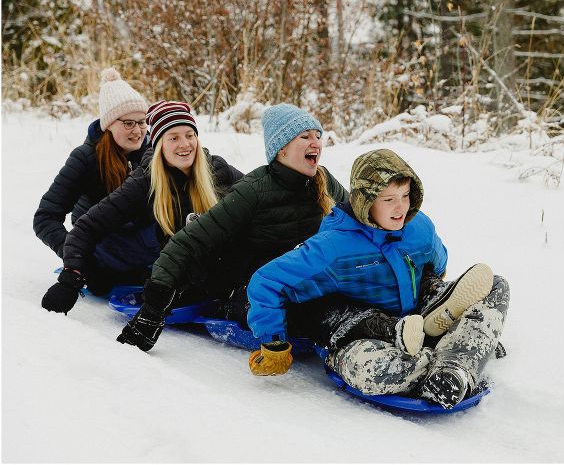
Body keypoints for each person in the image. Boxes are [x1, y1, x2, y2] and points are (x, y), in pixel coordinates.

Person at [245, 148, 510, 409]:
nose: (400, 207)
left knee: (496, 285)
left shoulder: (419, 227)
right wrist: (274, 343)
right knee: (370, 370)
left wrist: (432, 290)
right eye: (388, 199)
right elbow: (266, 282)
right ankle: (457, 351)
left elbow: (438, 265)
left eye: (405, 195)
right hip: (363, 332)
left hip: (418, 313)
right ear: (365, 201)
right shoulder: (333, 246)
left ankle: (454, 367)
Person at [115, 103, 349, 352]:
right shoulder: (253, 191)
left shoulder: (323, 180)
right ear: (281, 148)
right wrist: (152, 309)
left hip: (307, 280)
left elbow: (361, 219)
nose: (316, 143)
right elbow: (187, 242)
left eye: (318, 136)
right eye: (305, 137)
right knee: (309, 311)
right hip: (251, 292)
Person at [41, 100, 244, 315]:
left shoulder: (217, 169)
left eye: (190, 135)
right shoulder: (144, 180)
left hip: (172, 255)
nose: (185, 144)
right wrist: (73, 275)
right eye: (173, 138)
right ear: (159, 145)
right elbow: (85, 226)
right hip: (121, 249)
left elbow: (257, 197)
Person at [34, 68, 151, 305]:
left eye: (142, 122)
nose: (138, 131)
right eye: (128, 123)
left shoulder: (153, 154)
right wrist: (80, 259)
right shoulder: (86, 157)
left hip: (139, 243)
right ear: (109, 124)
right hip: (101, 244)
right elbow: (45, 217)